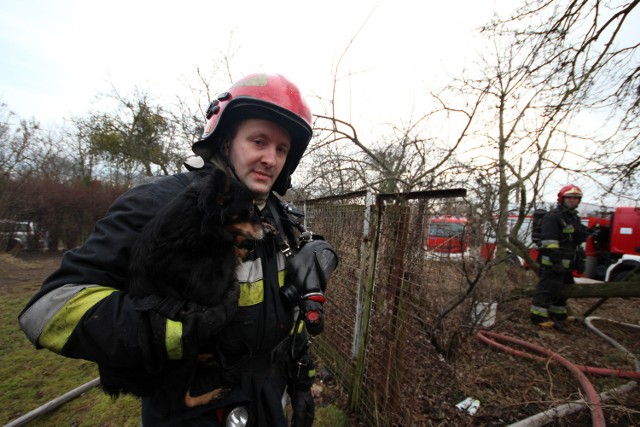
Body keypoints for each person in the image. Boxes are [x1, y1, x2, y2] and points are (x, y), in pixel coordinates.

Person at [18, 73, 338, 426]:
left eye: (281, 149)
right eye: (258, 141)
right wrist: (173, 330)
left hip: (269, 404)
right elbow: (49, 310)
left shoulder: (281, 222)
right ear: (225, 139)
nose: (270, 159)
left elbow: (288, 318)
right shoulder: (160, 205)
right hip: (191, 411)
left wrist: (300, 380)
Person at [530, 184, 589, 329]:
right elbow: (549, 242)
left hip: (567, 261)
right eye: (570, 198)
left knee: (563, 288)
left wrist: (581, 257)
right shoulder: (553, 216)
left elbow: (573, 242)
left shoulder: (573, 217)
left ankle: (559, 314)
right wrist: (555, 261)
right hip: (552, 261)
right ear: (562, 198)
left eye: (576, 198)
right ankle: (538, 317)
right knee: (547, 288)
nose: (573, 200)